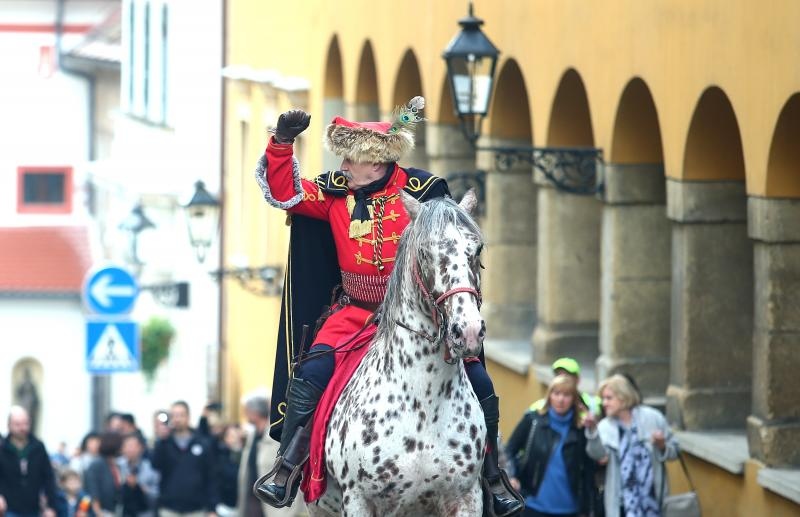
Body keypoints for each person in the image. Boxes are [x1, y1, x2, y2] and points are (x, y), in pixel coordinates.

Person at [251, 97, 522, 516]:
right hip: (355, 314)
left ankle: (491, 474)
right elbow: (286, 193)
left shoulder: (425, 195)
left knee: (480, 380)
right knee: (312, 373)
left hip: (424, 316)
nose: (343, 166)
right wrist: (282, 144)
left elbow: (454, 244)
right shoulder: (334, 195)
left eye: (350, 159)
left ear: (375, 163)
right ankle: (288, 466)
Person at [585, 374, 678, 517]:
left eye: (609, 398)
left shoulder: (653, 418)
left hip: (654, 503)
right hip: (622, 505)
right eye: (603, 398)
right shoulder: (605, 427)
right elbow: (596, 454)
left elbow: (675, 451)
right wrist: (592, 431)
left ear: (623, 397)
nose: (604, 403)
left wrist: (662, 446)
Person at [506, 375, 597, 517]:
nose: (561, 399)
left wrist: (587, 508)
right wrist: (511, 475)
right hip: (532, 505)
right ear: (549, 396)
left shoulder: (581, 429)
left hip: (569, 510)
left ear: (574, 399)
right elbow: (508, 450)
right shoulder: (533, 420)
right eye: (556, 393)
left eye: (566, 395)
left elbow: (589, 470)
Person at [237, 394, 304, 517]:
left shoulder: (277, 433)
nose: (244, 414)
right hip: (252, 502)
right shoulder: (253, 435)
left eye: (246, 410)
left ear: (254, 412)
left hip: (275, 506)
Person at [151, 400, 218, 517]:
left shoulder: (202, 443)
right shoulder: (165, 443)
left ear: (188, 417)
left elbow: (211, 476)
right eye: (174, 415)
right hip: (169, 508)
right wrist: (160, 441)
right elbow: (155, 465)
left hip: (196, 508)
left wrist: (212, 508)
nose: (177, 419)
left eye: (181, 415)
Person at [0, 405, 59, 517]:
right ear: (9, 425)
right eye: (17, 424)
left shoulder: (38, 447)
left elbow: (48, 478)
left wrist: (51, 506)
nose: (22, 428)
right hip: (9, 509)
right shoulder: (2, 449)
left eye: (25, 423)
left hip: (34, 509)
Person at [530, 358, 601, 416]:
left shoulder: (592, 404)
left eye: (566, 376)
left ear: (577, 379)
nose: (562, 381)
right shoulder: (538, 407)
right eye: (558, 376)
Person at [117, 433, 159, 517]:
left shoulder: (150, 468)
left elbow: (157, 494)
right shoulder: (117, 466)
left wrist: (143, 489)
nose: (129, 449)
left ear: (141, 448)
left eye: (132, 446)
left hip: (144, 512)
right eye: (126, 446)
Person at [84, 432, 123, 517]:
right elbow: (93, 493)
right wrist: (99, 513)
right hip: (102, 513)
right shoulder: (97, 465)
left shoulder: (117, 465)